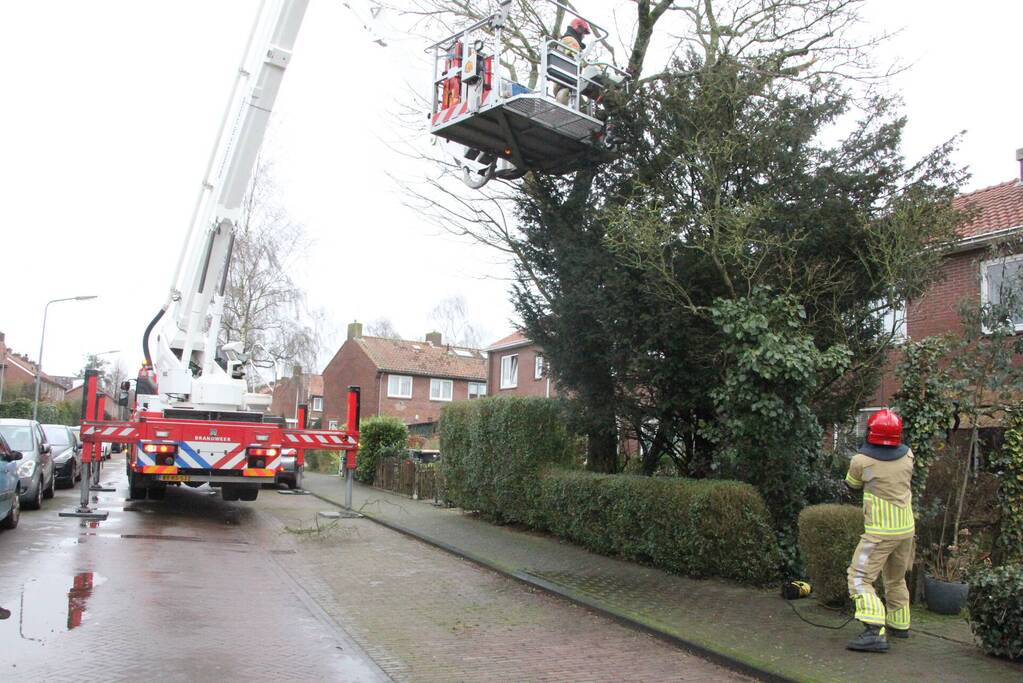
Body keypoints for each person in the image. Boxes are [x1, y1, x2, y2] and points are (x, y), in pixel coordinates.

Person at [844, 408, 915, 653]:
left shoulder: (861, 461)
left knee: (859, 577)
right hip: (905, 529)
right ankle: (900, 623)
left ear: (870, 432)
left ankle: (874, 630)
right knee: (895, 578)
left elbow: (852, 484)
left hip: (879, 531)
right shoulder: (908, 456)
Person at [554, 17, 591, 106]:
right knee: (565, 93)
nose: (583, 36)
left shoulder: (565, 39)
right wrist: (588, 65)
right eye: (583, 32)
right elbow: (576, 58)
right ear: (578, 29)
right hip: (566, 76)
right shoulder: (571, 40)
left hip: (560, 77)